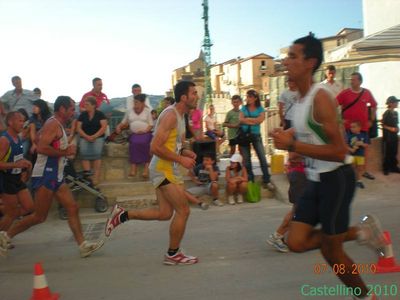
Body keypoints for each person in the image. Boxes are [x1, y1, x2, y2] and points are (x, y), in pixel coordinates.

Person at [272, 34, 384, 300]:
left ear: (310, 62)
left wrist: (293, 147)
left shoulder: (320, 97)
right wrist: (291, 139)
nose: (286, 61)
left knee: (331, 252)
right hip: (316, 178)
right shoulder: (297, 101)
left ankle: (367, 297)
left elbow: (338, 151)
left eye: (292, 56)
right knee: (295, 242)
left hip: (336, 179)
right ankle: (359, 232)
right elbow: (311, 138)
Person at [105, 81, 199, 266]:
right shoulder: (171, 116)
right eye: (194, 93)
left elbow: (169, 145)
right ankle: (173, 254)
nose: (197, 96)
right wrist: (181, 160)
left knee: (164, 213)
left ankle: (122, 215)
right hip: (163, 169)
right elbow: (154, 147)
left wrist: (184, 152)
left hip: (166, 168)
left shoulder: (180, 115)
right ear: (183, 97)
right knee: (184, 210)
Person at [0, 96, 104, 258]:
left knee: (72, 207)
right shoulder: (53, 123)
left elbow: (38, 140)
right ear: (62, 109)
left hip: (56, 174)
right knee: (39, 216)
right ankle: (6, 235)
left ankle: (83, 245)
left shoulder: (55, 124)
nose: (73, 112)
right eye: (70, 108)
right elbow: (41, 147)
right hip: (46, 174)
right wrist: (65, 152)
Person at [337, 72, 377, 181]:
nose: (351, 81)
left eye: (353, 79)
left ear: (360, 81)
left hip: (363, 128)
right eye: (351, 79)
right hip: (348, 129)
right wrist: (340, 120)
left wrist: (371, 119)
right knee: (348, 149)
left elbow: (374, 105)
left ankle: (363, 171)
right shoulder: (345, 93)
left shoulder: (366, 93)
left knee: (364, 150)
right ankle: (348, 173)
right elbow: (333, 104)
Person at [0, 112, 34, 240]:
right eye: (19, 121)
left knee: (29, 207)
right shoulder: (4, 140)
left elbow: (16, 158)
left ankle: (4, 235)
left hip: (17, 179)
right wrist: (16, 165)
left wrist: (25, 164)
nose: (22, 123)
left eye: (23, 121)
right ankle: (3, 237)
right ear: (10, 122)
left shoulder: (18, 138)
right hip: (6, 180)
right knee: (11, 213)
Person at [267, 152, 306, 253]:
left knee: (301, 211)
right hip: (300, 176)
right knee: (297, 211)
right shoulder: (298, 139)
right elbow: (293, 155)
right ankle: (277, 236)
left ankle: (284, 236)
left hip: (302, 176)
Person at [239, 89, 274, 191]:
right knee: (247, 160)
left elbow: (260, 120)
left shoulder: (260, 109)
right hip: (244, 136)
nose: (248, 99)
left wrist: (247, 119)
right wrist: (253, 120)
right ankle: (250, 179)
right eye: (247, 96)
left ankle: (266, 180)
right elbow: (241, 119)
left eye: (250, 97)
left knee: (262, 158)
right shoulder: (244, 108)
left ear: (255, 98)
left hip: (255, 135)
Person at [115, 93, 153, 178]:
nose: (135, 104)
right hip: (134, 134)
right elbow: (123, 122)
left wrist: (144, 131)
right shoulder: (129, 111)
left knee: (145, 143)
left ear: (143, 103)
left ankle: (146, 169)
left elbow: (151, 125)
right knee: (134, 143)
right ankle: (133, 167)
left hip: (145, 133)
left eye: (137, 102)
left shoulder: (147, 111)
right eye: (134, 102)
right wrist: (118, 126)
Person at [77, 96, 108, 185]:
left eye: (87, 104)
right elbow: (78, 128)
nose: (85, 106)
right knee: (84, 155)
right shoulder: (82, 115)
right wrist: (86, 136)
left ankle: (95, 178)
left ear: (93, 105)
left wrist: (95, 136)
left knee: (97, 156)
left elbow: (104, 127)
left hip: (98, 137)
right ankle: (88, 178)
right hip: (84, 137)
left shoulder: (100, 114)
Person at [347, 121, 369, 189]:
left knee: (360, 168)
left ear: (359, 128)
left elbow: (366, 145)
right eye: (351, 127)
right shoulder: (349, 135)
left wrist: (361, 144)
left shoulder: (363, 135)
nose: (352, 128)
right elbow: (346, 145)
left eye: (354, 127)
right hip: (351, 155)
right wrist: (351, 149)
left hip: (360, 155)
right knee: (351, 168)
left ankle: (359, 181)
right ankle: (351, 181)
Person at [381, 96, 400, 175]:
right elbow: (383, 125)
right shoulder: (386, 113)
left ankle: (394, 167)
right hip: (388, 136)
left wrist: (397, 129)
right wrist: (391, 129)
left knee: (394, 152)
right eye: (395, 102)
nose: (397, 103)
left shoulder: (396, 113)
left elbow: (396, 124)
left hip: (394, 136)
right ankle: (386, 168)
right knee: (388, 152)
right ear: (390, 103)